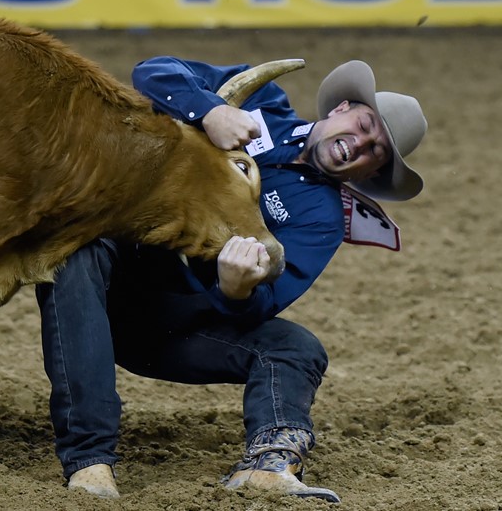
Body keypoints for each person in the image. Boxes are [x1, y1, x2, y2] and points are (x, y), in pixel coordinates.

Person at [35, 59, 427, 503]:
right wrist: (209, 111)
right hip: (101, 283)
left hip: (173, 327)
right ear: (342, 108)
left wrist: (236, 289)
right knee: (77, 245)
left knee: (297, 349)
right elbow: (155, 71)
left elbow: (265, 301)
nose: (360, 144)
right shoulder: (260, 101)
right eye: (365, 124)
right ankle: (90, 460)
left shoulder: (321, 218)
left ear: (371, 172)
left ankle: (271, 464)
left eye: (376, 150)